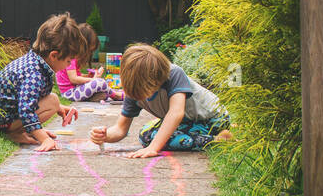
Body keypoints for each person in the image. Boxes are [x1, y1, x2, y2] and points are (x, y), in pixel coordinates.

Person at [88, 43, 231, 158]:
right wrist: (105, 136)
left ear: (154, 79)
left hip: (212, 119)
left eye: (144, 92)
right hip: (187, 122)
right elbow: (120, 129)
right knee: (145, 135)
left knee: (165, 140)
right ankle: (205, 138)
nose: (140, 97)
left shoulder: (174, 74)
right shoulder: (134, 86)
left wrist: (153, 148)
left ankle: (218, 141)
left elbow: (176, 113)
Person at [0, 13, 88, 152]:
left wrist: (59, 107)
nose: (69, 66)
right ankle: (15, 133)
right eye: (68, 61)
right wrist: (44, 138)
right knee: (52, 101)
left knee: (55, 102)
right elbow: (26, 110)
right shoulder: (34, 74)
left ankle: (22, 131)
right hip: (1, 121)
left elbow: (26, 97)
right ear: (54, 56)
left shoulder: (34, 62)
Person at [56, 24, 124, 103]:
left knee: (102, 91)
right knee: (100, 82)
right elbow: (73, 79)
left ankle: (94, 97)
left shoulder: (72, 56)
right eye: (89, 50)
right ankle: (116, 95)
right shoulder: (70, 57)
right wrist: (93, 80)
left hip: (75, 90)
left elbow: (73, 76)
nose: (89, 53)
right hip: (70, 93)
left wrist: (87, 76)